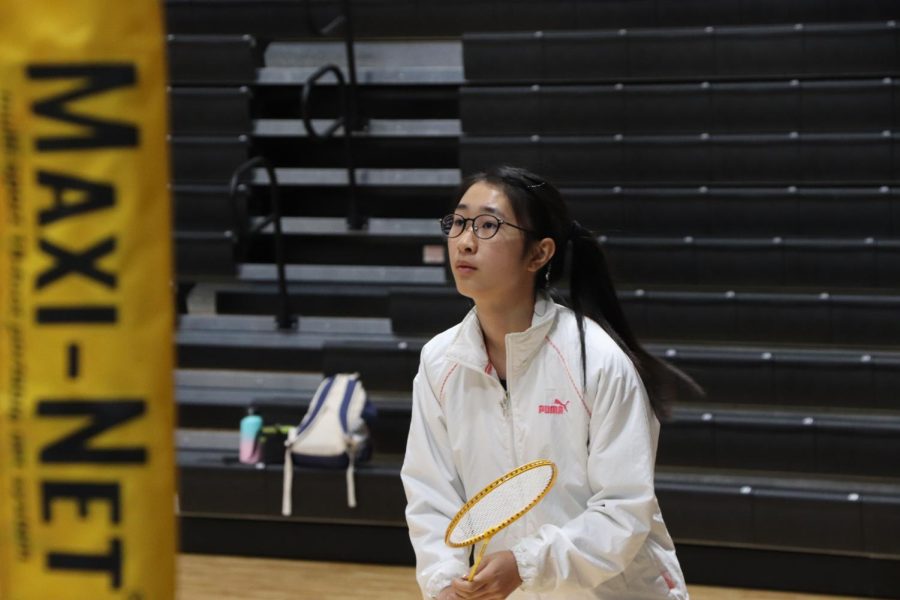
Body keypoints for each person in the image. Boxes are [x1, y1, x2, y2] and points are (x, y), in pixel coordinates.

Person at [401, 165, 700, 599]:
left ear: (539, 254)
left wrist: (527, 563)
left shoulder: (597, 361)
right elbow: (431, 492)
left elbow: (623, 510)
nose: (464, 240)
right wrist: (443, 581)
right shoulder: (439, 361)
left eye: (488, 225)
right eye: (459, 222)